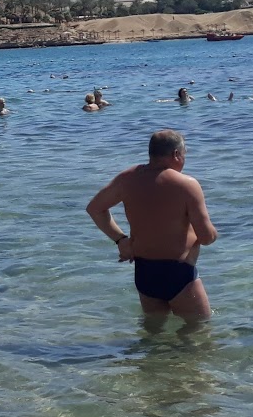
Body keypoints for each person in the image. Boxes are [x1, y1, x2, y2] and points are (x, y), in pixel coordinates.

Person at [86, 129, 218, 322]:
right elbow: (206, 238)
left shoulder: (127, 178)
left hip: (145, 273)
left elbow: (95, 209)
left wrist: (121, 240)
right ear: (176, 155)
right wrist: (214, 233)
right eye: (184, 154)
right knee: (199, 335)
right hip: (178, 273)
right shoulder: (187, 185)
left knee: (153, 335)